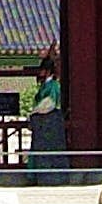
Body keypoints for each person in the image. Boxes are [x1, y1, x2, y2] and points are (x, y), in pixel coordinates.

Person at [27, 55, 69, 184]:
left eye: (42, 70)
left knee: (50, 150)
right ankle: (37, 176)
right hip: (42, 121)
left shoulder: (53, 85)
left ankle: (52, 177)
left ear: (48, 71)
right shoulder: (46, 85)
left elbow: (49, 103)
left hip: (50, 120)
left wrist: (34, 112)